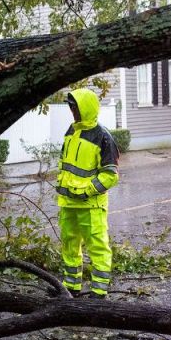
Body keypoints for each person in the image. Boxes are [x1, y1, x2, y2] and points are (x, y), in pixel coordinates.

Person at [56, 88, 120, 297]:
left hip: (91, 205)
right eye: (70, 107)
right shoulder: (71, 131)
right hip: (68, 203)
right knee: (69, 245)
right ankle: (71, 287)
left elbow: (110, 175)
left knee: (97, 247)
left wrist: (86, 191)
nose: (72, 111)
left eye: (74, 107)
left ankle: (99, 291)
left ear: (85, 107)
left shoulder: (103, 136)